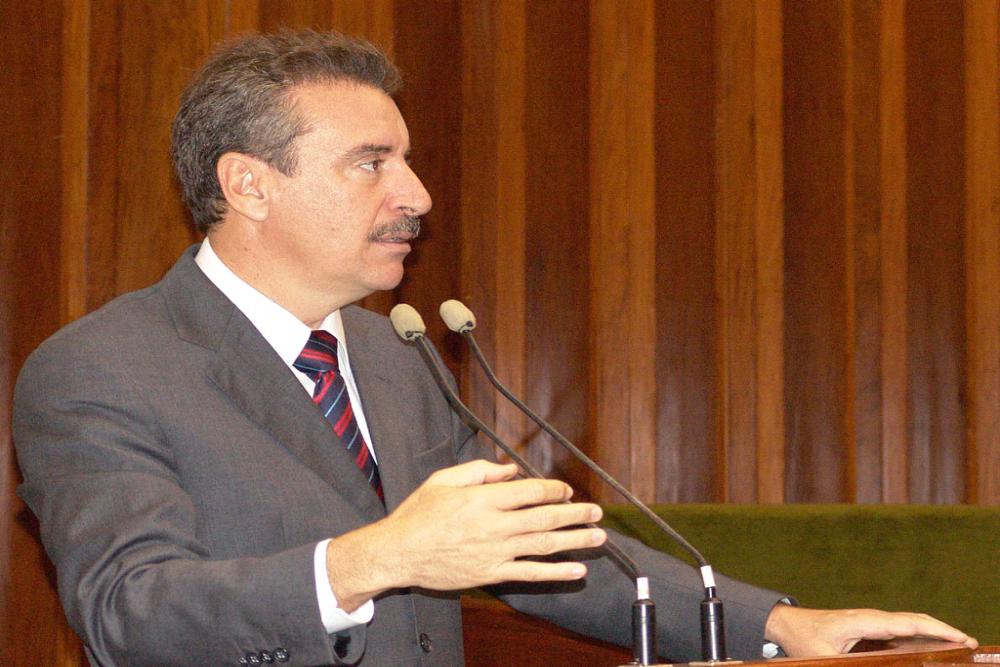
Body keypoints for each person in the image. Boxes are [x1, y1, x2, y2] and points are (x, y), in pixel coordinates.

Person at [14, 31, 976, 667]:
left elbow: (551, 552)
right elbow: (129, 611)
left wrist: (777, 625)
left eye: (405, 159)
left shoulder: (393, 356)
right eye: (371, 163)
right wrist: (372, 559)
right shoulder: (103, 368)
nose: (417, 194)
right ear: (250, 185)